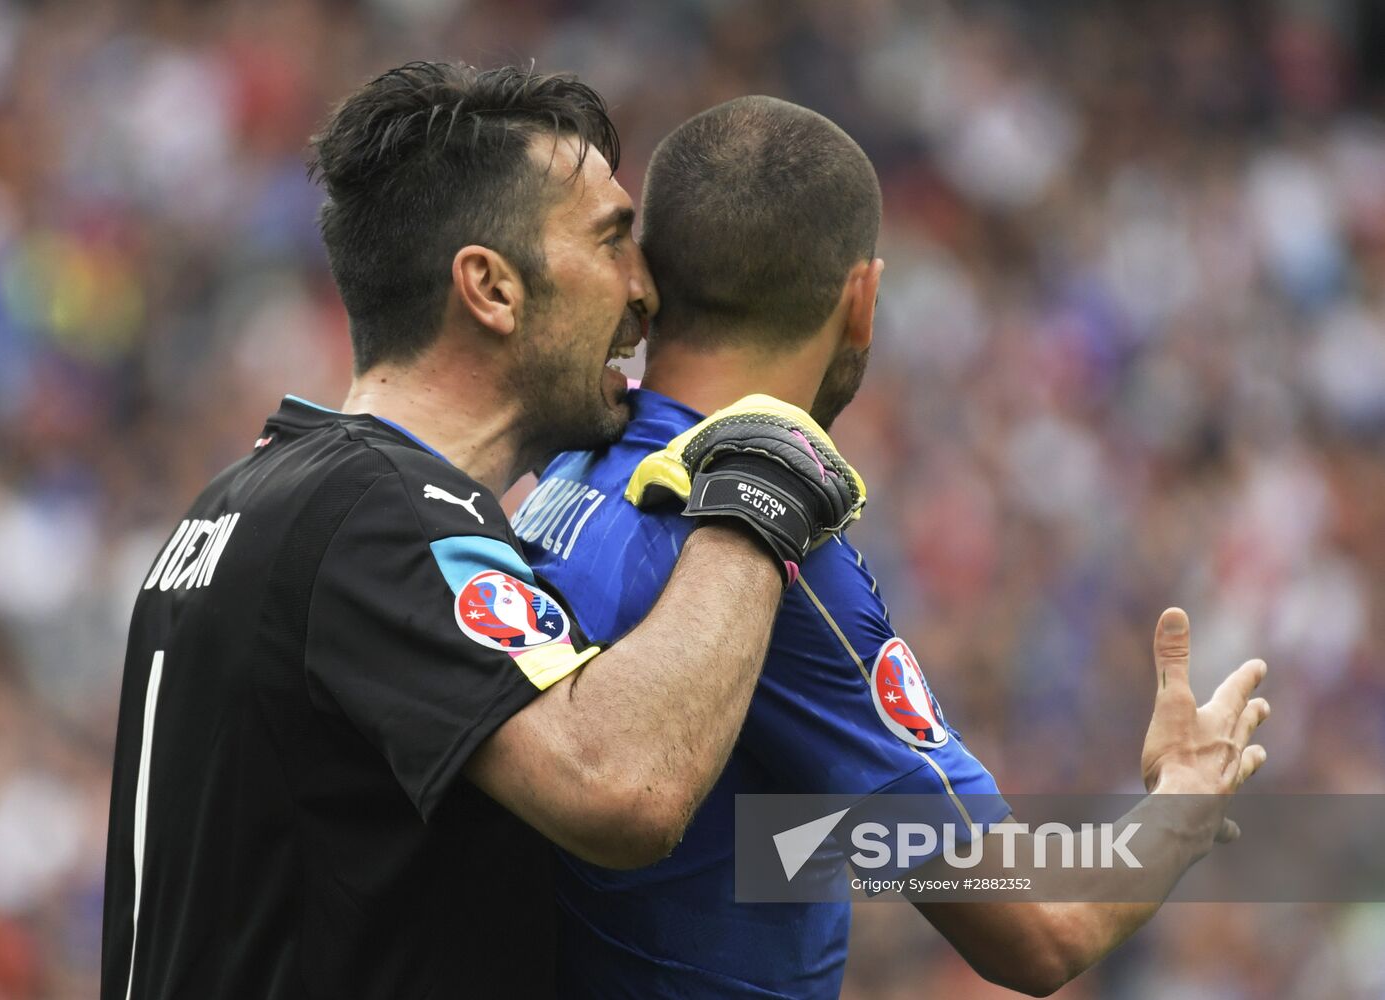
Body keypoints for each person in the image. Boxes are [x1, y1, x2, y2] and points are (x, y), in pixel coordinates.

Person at [100, 65, 868, 1000]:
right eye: (612, 239)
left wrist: (815, 849)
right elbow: (622, 787)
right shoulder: (379, 522)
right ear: (491, 288)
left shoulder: (247, 499)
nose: (646, 287)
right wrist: (757, 508)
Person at [519, 96, 1271, 998]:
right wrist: (1183, 803)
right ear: (862, 298)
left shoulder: (569, 464)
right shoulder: (759, 551)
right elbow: (1036, 932)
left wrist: (857, 840)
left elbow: (707, 835)